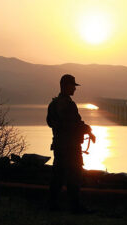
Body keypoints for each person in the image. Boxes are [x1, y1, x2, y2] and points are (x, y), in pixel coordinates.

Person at [46, 74, 96, 213]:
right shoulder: (68, 104)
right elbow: (74, 123)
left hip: (59, 145)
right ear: (66, 86)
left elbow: (50, 123)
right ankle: (75, 206)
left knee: (58, 176)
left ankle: (53, 205)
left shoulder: (53, 103)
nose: (75, 88)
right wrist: (88, 130)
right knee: (74, 176)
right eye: (73, 86)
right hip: (71, 146)